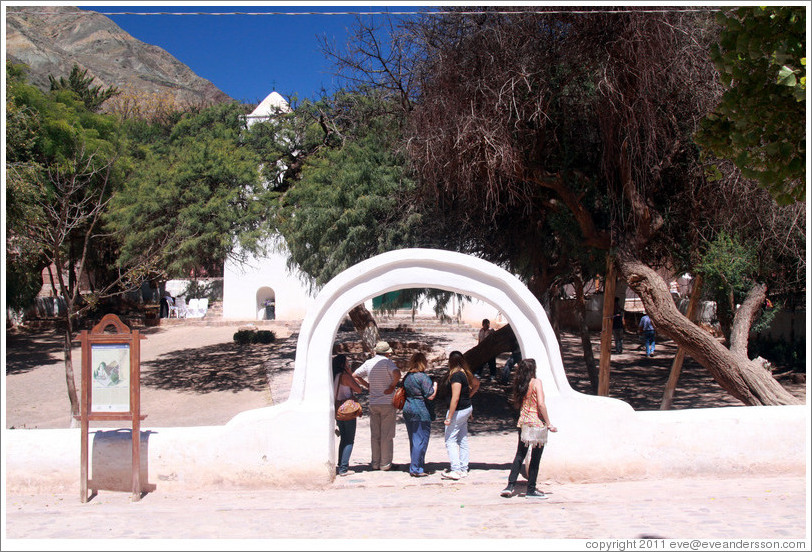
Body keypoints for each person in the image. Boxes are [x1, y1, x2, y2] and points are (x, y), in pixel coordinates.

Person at [500, 358, 558, 499]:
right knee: (535, 457)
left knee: (520, 454)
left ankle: (510, 485)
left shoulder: (520, 384)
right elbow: (541, 404)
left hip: (523, 421)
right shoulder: (536, 382)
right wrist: (549, 423)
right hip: (536, 422)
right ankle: (531, 489)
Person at [353, 341, 401, 471]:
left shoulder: (369, 363)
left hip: (374, 402)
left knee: (375, 435)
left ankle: (375, 462)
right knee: (387, 434)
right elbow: (397, 373)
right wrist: (392, 386)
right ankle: (385, 463)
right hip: (387, 402)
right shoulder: (387, 362)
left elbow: (355, 375)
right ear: (387, 353)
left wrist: (367, 385)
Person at [439, 350, 480, 480]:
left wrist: (449, 417)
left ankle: (456, 469)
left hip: (459, 410)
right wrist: (468, 397)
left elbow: (455, 398)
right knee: (462, 439)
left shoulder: (456, 376)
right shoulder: (466, 373)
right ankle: (463, 468)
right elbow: (477, 384)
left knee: (450, 439)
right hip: (467, 408)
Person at [401, 352, 438, 477]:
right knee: (421, 439)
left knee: (414, 439)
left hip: (408, 408)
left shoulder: (407, 377)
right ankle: (416, 468)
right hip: (420, 410)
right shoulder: (423, 377)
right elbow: (430, 395)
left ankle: (417, 464)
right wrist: (436, 386)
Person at [333, 354, 364, 476]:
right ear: (343, 364)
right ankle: (344, 468)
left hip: (337, 410)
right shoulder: (345, 376)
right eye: (347, 363)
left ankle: (341, 463)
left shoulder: (334, 375)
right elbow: (358, 389)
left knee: (344, 438)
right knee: (349, 439)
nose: (348, 365)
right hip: (347, 410)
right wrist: (350, 373)